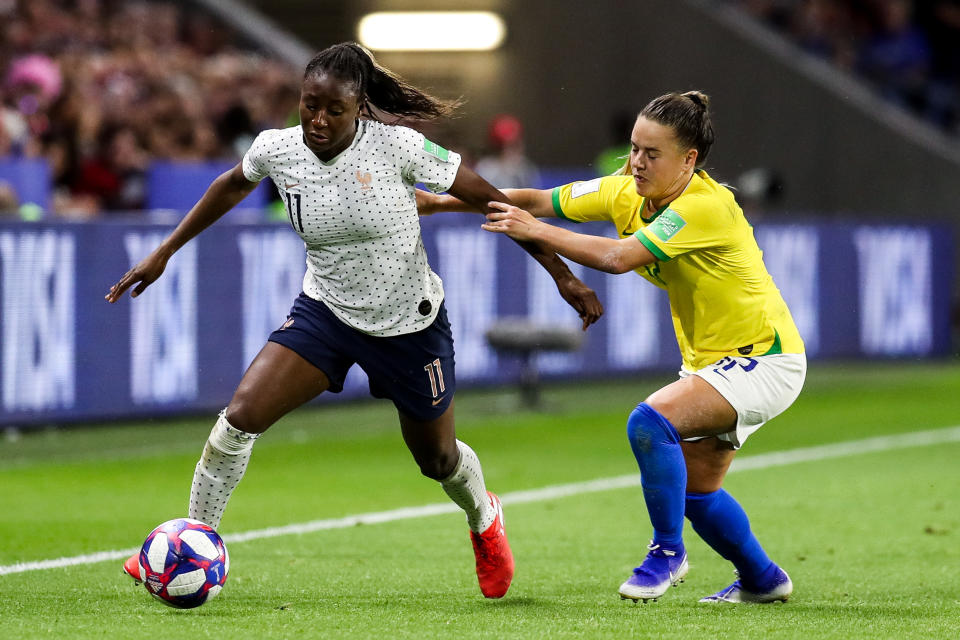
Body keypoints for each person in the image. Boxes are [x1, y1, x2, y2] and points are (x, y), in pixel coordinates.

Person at [105, 42, 602, 599]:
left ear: (359, 106)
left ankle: (485, 519)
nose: (317, 120)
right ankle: (191, 543)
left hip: (410, 327)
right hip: (326, 314)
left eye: (333, 109)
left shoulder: (400, 148)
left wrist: (562, 275)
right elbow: (230, 184)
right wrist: (165, 251)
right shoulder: (278, 148)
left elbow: (494, 202)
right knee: (237, 421)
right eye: (308, 105)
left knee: (437, 460)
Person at [418, 91, 806, 604]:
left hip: (766, 358)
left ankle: (668, 553)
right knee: (695, 491)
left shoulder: (706, 206)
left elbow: (620, 256)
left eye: (652, 154)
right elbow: (535, 199)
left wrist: (540, 234)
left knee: (650, 422)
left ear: (689, 160)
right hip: (718, 363)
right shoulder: (628, 191)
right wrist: (440, 201)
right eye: (634, 148)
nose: (636, 163)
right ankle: (763, 579)